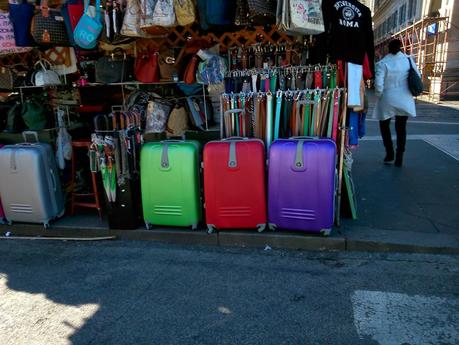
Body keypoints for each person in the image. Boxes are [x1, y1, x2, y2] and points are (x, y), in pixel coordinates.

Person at [372, 39, 421, 167]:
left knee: (384, 126)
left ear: (388, 49)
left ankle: (389, 153)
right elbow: (418, 76)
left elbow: (378, 84)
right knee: (401, 128)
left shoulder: (383, 63)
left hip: (387, 98)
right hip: (404, 98)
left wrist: (379, 95)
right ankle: (400, 156)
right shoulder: (409, 60)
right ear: (400, 48)